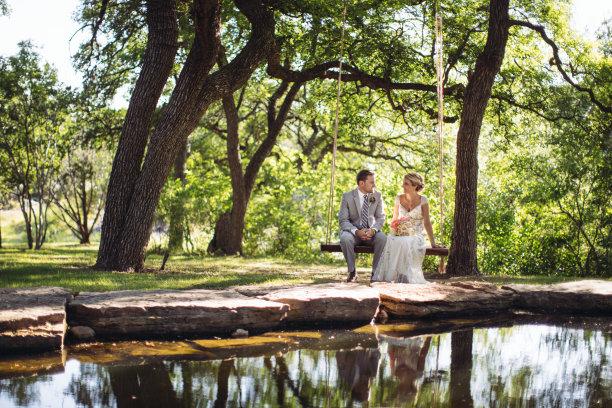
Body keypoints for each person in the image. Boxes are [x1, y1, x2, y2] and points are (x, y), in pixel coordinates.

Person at [372, 172, 442, 283]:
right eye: (404, 183)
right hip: (401, 231)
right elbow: (394, 219)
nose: (403, 186)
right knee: (391, 240)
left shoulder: (423, 200)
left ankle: (405, 275)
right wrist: (394, 231)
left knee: (406, 242)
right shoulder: (398, 198)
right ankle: (394, 275)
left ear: (415, 186)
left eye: (406, 184)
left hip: (416, 233)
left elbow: (427, 223)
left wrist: (433, 243)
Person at [338, 169, 387, 282]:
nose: (374, 185)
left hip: (371, 232)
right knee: (345, 239)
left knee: (382, 238)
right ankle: (352, 271)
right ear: (361, 183)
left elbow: (381, 217)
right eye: (371, 182)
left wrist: (373, 230)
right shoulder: (347, 196)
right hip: (353, 232)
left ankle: (375, 273)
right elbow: (343, 220)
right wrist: (356, 231)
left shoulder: (377, 195)